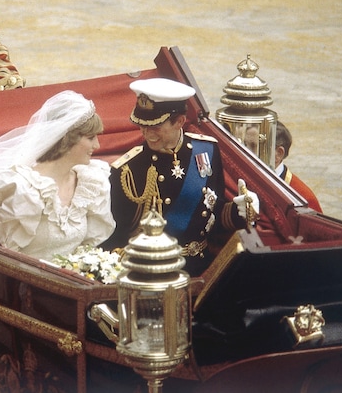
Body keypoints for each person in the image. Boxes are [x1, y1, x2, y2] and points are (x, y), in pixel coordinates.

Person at [103, 78, 259, 276]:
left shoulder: (207, 150)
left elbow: (211, 212)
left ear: (179, 122)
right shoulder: (127, 170)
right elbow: (114, 236)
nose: (147, 133)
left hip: (201, 268)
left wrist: (239, 212)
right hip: (152, 273)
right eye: (142, 125)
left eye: (155, 126)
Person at [0, 91, 115, 259]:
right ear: (67, 138)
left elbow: (89, 247)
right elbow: (4, 258)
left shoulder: (91, 182)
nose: (97, 145)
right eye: (90, 138)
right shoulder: (22, 189)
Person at [275, 122, 323, 212]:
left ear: (278, 154)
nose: (246, 152)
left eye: (254, 146)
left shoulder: (304, 200)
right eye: (245, 144)